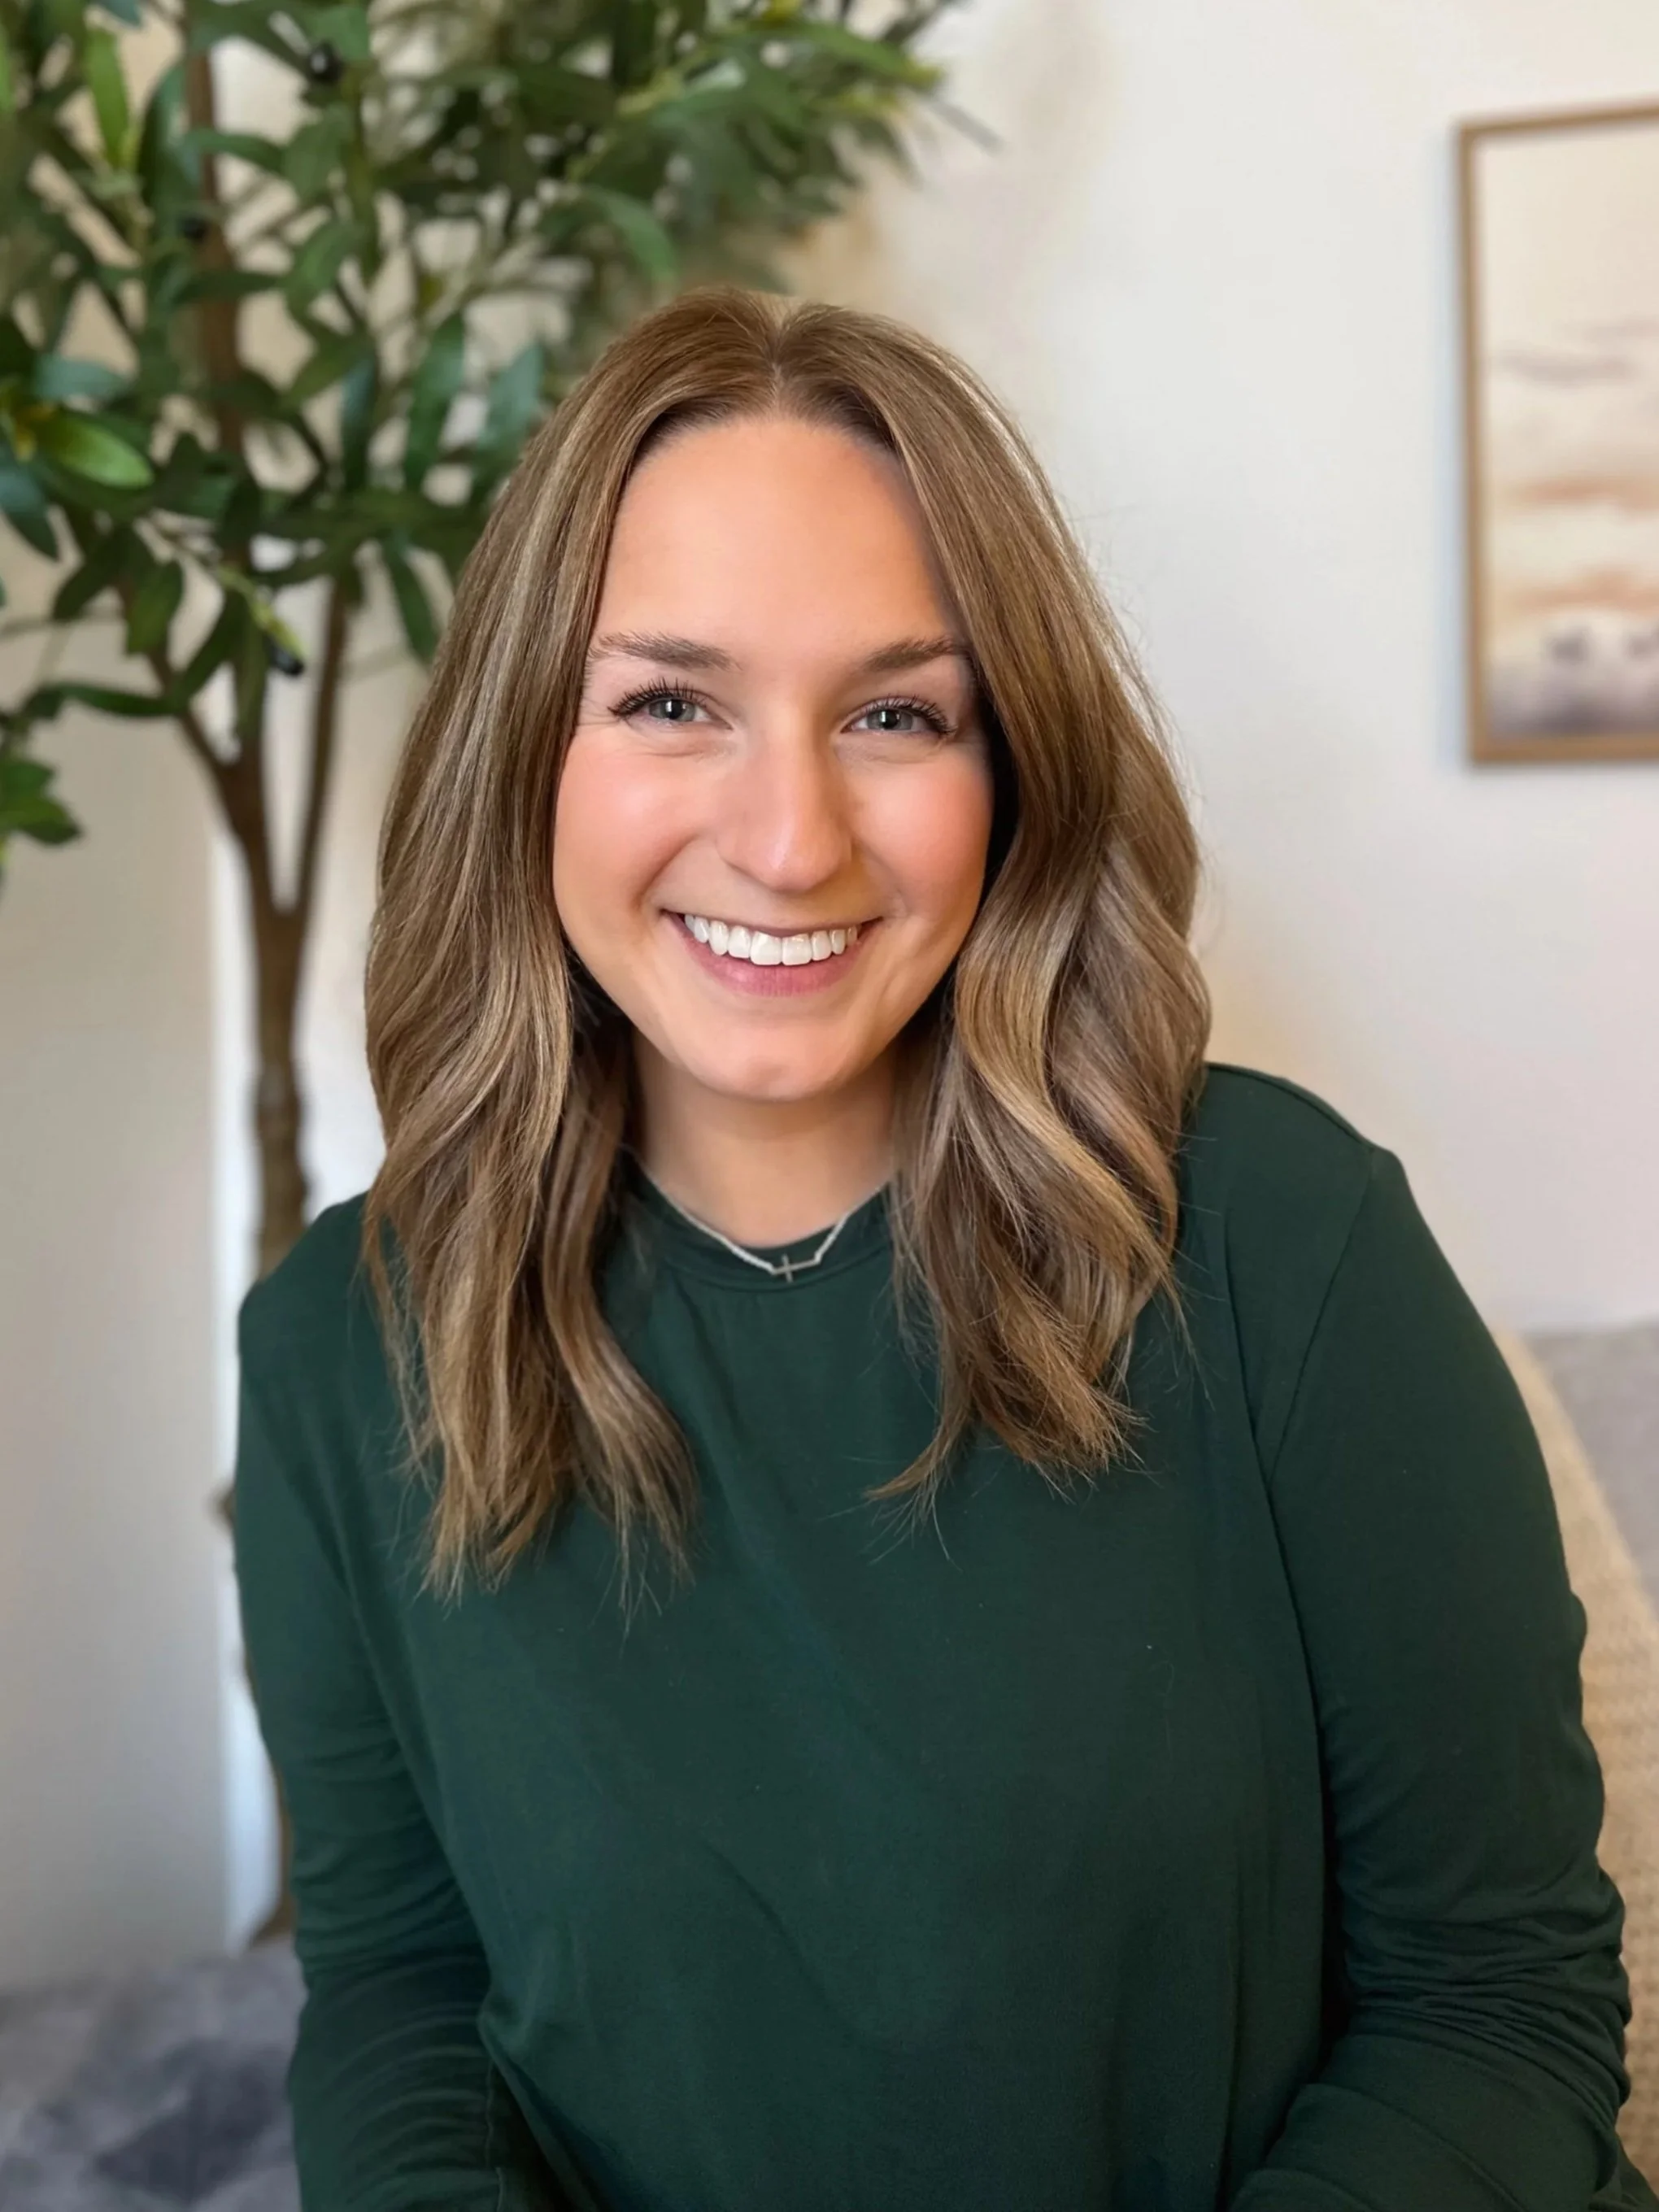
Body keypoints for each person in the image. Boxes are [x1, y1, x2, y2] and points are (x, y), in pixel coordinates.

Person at [231, 283, 1657, 2212]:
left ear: (1016, 776)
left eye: (898, 713)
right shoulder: (343, 1346)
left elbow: (1499, 2006)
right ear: (523, 756)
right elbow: (400, 1998)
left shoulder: (1283, 1244)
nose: (794, 835)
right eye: (672, 702)